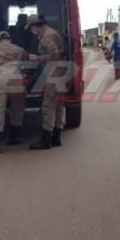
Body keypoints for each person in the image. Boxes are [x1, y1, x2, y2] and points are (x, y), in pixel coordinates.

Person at [0, 31, 29, 154]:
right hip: (16, 79)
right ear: (10, 39)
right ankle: (13, 138)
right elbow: (26, 59)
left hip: (0, 79)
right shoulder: (19, 49)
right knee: (18, 108)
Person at [27, 14, 66, 150]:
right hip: (60, 72)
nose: (31, 31)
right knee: (58, 106)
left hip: (54, 72)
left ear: (36, 26)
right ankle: (56, 138)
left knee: (48, 106)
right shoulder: (49, 33)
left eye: (31, 28)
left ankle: (46, 140)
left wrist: (37, 58)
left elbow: (55, 56)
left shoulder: (47, 37)